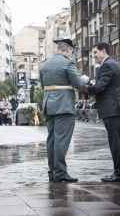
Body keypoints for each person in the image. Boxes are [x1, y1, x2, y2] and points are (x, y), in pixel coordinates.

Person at [39, 38, 84, 183]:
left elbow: (42, 85)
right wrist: (85, 81)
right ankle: (60, 173)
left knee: (51, 140)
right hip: (63, 105)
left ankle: (52, 171)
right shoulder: (67, 63)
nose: (72, 54)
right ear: (68, 50)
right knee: (61, 141)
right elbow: (78, 84)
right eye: (72, 51)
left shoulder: (45, 64)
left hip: (49, 105)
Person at [85, 42, 120, 183]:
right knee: (119, 142)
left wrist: (85, 87)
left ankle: (119, 173)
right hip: (117, 108)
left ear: (103, 51)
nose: (94, 57)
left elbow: (99, 87)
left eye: (95, 53)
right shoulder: (114, 64)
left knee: (115, 142)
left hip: (113, 110)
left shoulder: (107, 65)